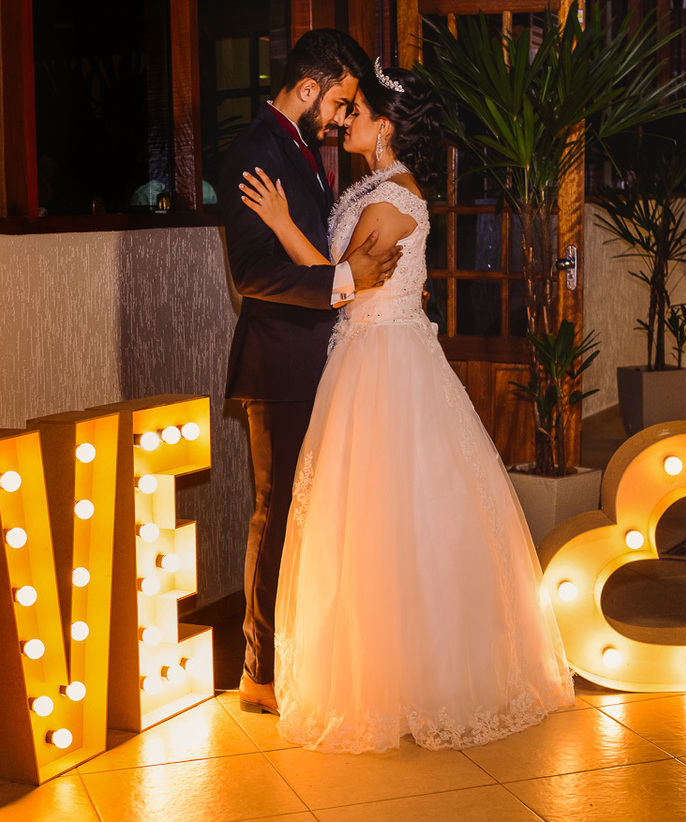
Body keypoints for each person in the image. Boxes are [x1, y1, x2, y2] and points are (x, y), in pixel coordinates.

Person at [238, 60, 574, 753]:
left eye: (356, 111)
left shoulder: (394, 201)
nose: (345, 119)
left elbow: (347, 281)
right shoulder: (375, 186)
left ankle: (410, 680)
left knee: (391, 522)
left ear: (385, 128)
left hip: (383, 365)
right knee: (369, 521)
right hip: (364, 356)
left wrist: (276, 222)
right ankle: (377, 667)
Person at [220, 30, 401, 716]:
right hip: (282, 365)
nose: (340, 116)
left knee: (314, 516)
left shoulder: (298, 148)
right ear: (307, 88)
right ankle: (258, 672)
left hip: (324, 359)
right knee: (277, 513)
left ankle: (302, 656)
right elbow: (250, 274)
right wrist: (341, 282)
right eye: (340, 100)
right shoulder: (254, 150)